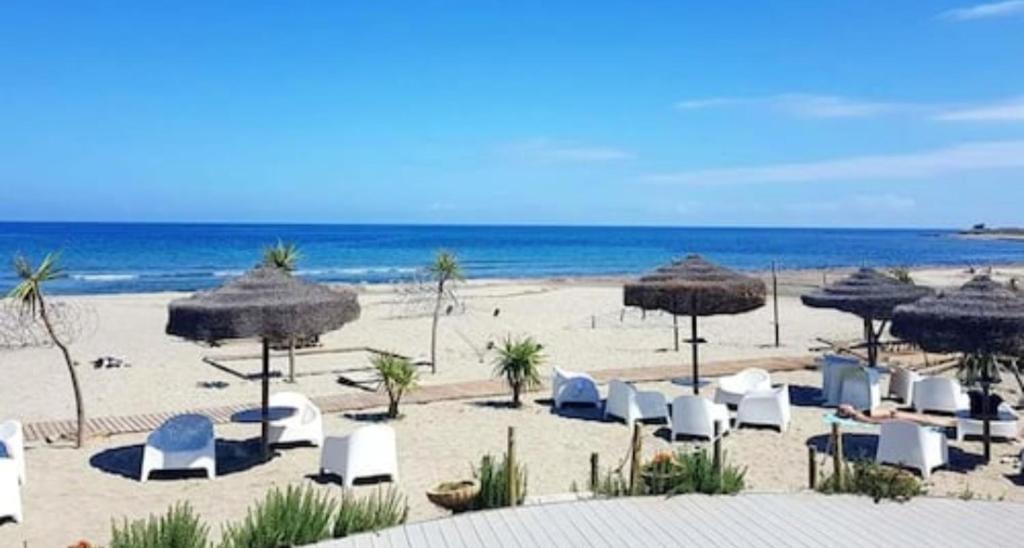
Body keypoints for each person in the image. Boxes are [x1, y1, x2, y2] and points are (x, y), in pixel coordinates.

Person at [837, 404, 953, 428]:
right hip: (895, 417)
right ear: (845, 412)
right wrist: (890, 420)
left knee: (925, 417)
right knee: (924, 419)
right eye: (843, 408)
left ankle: (950, 422)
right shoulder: (857, 415)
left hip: (894, 414)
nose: (847, 405)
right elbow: (872, 421)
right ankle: (949, 423)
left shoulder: (858, 412)